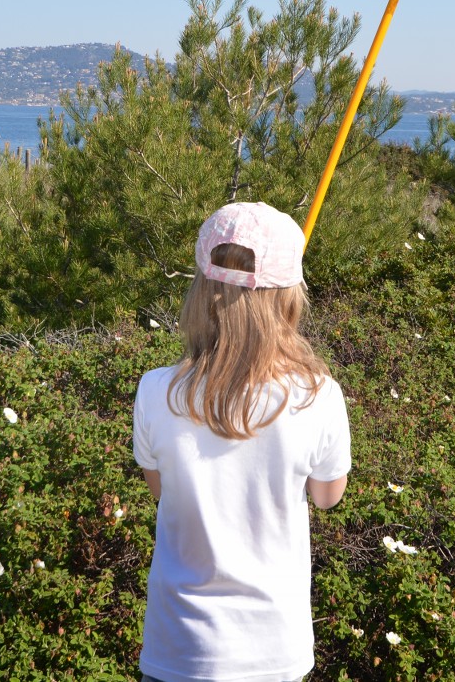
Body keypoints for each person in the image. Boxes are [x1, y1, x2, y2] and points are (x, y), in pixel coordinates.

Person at [133, 202, 351, 682]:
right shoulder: (318, 396)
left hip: (177, 649)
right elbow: (327, 497)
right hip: (273, 652)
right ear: (288, 297)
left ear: (201, 289)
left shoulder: (155, 390)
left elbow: (161, 491)